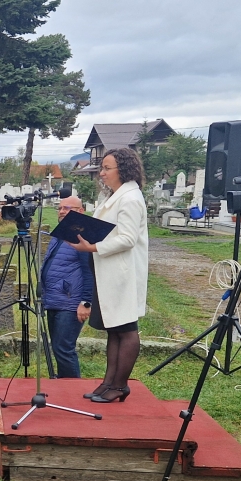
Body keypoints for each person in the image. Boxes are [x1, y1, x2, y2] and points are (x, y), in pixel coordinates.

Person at [68, 148, 149, 403]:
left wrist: (92, 247)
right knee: (114, 330)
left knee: (126, 329)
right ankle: (108, 382)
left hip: (122, 273)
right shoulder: (114, 196)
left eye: (106, 168)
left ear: (123, 169)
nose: (101, 173)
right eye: (102, 168)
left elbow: (127, 239)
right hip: (108, 271)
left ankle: (120, 385)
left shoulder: (131, 198)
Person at [40, 195, 95, 378]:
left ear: (80, 211)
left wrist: (86, 301)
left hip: (70, 301)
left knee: (64, 348)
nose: (62, 211)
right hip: (54, 299)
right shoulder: (61, 232)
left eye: (68, 208)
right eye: (60, 208)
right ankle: (63, 385)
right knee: (57, 346)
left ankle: (72, 388)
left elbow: (89, 271)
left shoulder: (83, 236)